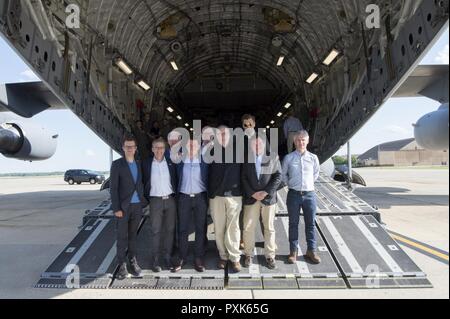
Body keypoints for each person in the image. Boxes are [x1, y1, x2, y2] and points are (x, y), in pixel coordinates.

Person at [110, 134, 148, 280]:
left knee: (133, 236)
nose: (130, 149)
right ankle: (121, 264)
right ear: (123, 148)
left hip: (137, 206)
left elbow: (140, 183)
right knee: (121, 237)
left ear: (136, 148)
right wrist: (116, 208)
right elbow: (113, 189)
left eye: (132, 146)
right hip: (123, 208)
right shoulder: (117, 164)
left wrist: (143, 200)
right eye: (127, 146)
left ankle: (133, 261)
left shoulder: (138, 164)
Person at [242, 136, 282, 270]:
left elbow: (278, 176)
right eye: (254, 144)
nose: (257, 146)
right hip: (251, 197)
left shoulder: (273, 157)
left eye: (259, 144)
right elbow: (243, 177)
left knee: (269, 228)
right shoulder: (246, 158)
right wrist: (252, 193)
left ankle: (270, 256)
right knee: (248, 227)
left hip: (268, 199)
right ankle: (248, 254)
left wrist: (265, 192)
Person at [282, 130, 321, 264]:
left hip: (309, 195)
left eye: (303, 140)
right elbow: (283, 175)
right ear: (294, 142)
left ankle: (311, 250)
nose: (301, 142)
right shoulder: (288, 158)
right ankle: (293, 252)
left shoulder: (313, 158)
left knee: (311, 224)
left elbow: (316, 174)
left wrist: (307, 185)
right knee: (293, 224)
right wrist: (292, 184)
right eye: (298, 140)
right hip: (294, 195)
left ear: (307, 141)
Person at [208, 125, 243, 273]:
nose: (222, 136)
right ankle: (223, 255)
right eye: (220, 134)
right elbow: (205, 173)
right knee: (219, 227)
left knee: (233, 227)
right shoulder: (211, 152)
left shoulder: (239, 151)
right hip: (216, 196)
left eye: (225, 134)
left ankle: (235, 258)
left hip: (234, 195)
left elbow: (245, 172)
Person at [172, 139, 209, 273]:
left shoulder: (205, 160)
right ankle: (182, 257)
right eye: (189, 145)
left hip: (200, 197)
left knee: (200, 229)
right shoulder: (179, 160)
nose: (192, 147)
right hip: (184, 197)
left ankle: (198, 258)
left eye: (194, 145)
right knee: (183, 229)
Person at [142, 137, 178, 272]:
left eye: (161, 148)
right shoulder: (146, 164)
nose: (158, 150)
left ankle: (167, 257)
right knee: (156, 231)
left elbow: (177, 178)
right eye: (156, 147)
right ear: (152, 149)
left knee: (169, 230)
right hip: (155, 201)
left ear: (165, 149)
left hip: (170, 200)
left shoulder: (171, 163)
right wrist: (144, 200)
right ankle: (156, 259)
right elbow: (141, 182)